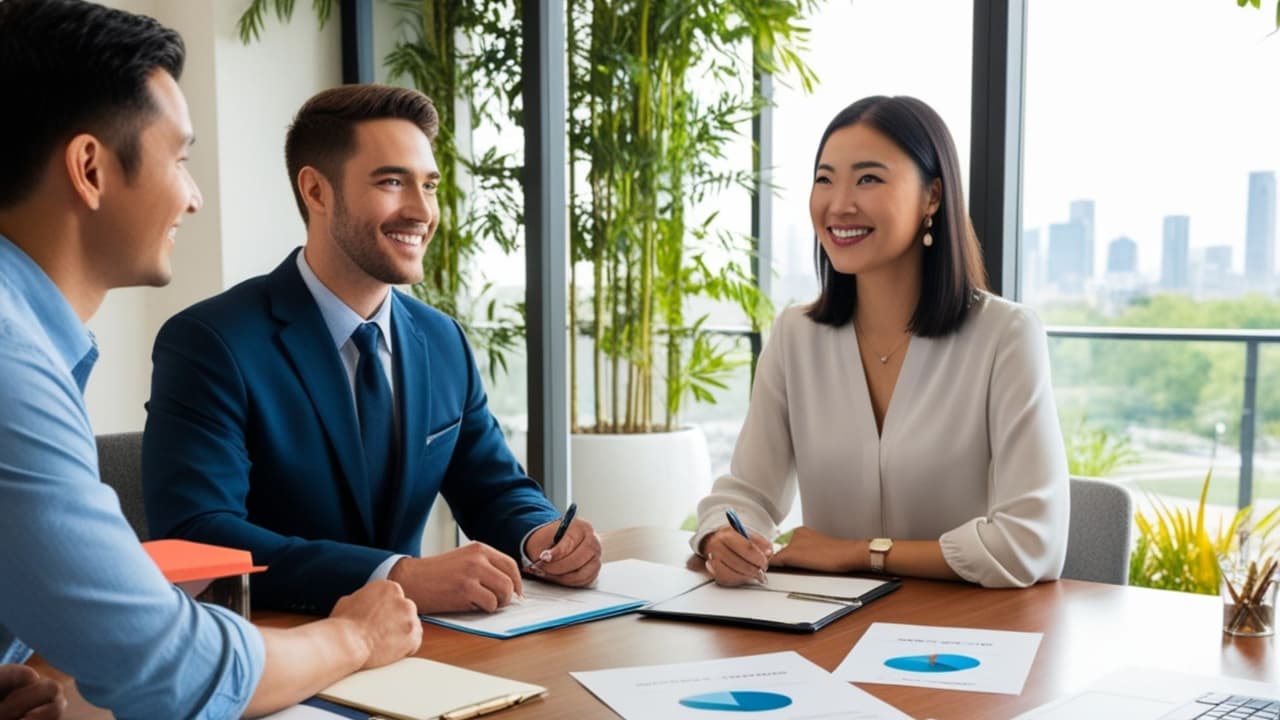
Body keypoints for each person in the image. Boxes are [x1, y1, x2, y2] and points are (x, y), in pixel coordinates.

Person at [0, 2, 422, 717]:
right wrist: (353, 637)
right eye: (182, 159)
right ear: (90, 169)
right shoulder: (14, 366)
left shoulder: (31, 343)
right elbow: (167, 666)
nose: (194, 198)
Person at [142, 83, 602, 617]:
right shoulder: (211, 342)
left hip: (418, 649)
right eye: (392, 182)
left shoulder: (442, 340)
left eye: (429, 186)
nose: (421, 210)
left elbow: (494, 489)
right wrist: (396, 575)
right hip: (278, 653)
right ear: (316, 192)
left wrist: (541, 535)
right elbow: (200, 536)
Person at [694, 95, 1069, 589]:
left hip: (968, 636)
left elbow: (1032, 544)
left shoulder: (1005, 336)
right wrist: (723, 537)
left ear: (932, 197)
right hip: (822, 627)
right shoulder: (795, 336)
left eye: (868, 178)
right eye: (825, 179)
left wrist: (857, 554)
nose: (839, 203)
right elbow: (747, 494)